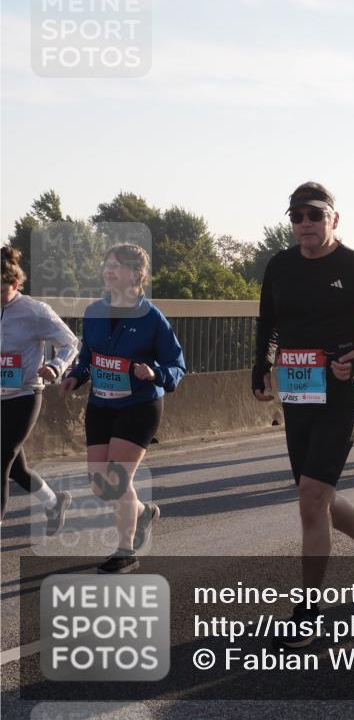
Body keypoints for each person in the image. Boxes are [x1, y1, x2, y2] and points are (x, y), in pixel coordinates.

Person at [252, 182, 354, 647]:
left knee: (312, 497)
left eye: (314, 215)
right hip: (297, 392)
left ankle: (308, 611)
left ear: (334, 219)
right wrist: (261, 365)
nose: (305, 224)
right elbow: (268, 323)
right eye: (297, 216)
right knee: (313, 494)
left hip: (341, 392)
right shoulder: (280, 266)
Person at [60, 243, 185, 573]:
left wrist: (155, 373)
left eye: (117, 265)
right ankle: (142, 512)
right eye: (107, 264)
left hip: (139, 405)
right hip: (101, 403)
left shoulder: (152, 318)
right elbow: (87, 357)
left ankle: (125, 551)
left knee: (116, 480)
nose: (109, 270)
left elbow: (177, 364)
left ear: (136, 274)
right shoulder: (94, 312)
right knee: (99, 485)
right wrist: (75, 376)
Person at [1, 246, 78, 528]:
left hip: (24, 395)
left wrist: (55, 367)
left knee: (1, 460)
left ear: (15, 284)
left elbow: (70, 342)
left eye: (1, 290)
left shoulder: (34, 311)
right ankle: (54, 502)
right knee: (16, 468)